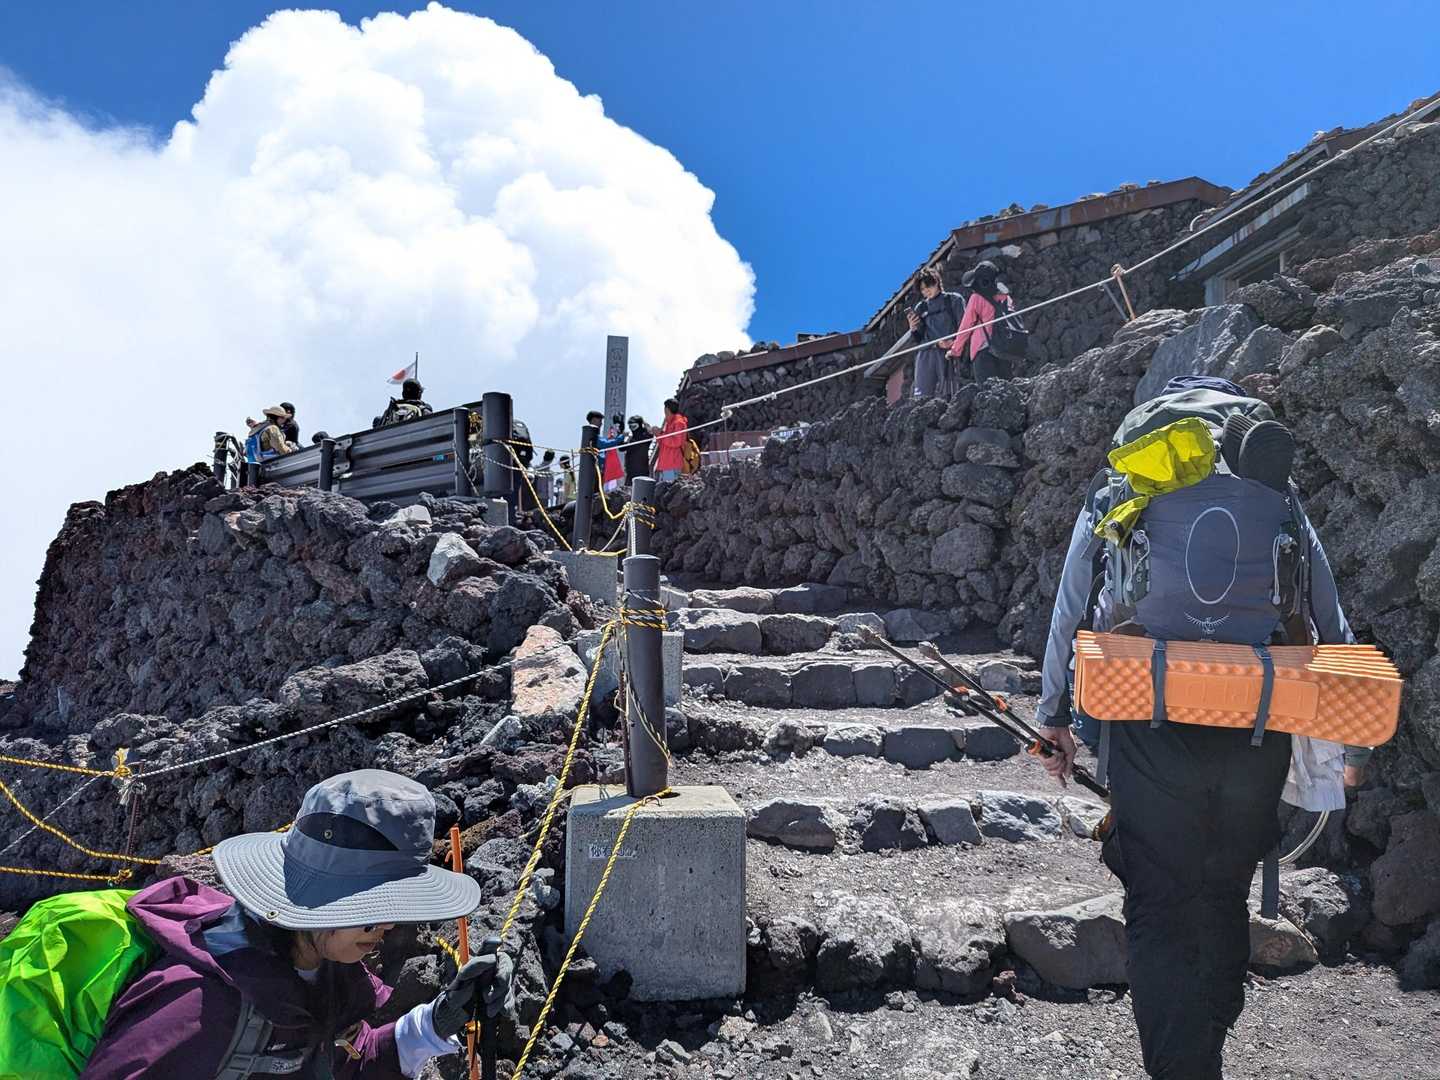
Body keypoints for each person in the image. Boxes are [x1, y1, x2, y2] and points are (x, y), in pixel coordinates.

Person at [1032, 377, 1364, 1080]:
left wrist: (1053, 716)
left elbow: (1073, 600)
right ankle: (1204, 1043)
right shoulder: (1273, 483)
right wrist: (1351, 736)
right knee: (1223, 892)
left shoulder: (1134, 472)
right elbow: (1326, 613)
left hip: (1144, 712)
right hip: (1255, 716)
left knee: (1159, 903)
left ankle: (1185, 1064)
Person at [81, 769, 513, 1080]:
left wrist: (437, 1021)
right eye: (372, 907)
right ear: (324, 903)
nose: (388, 925)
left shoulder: (319, 966)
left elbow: (343, 1059)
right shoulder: (197, 1002)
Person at [945, 260, 1015, 383]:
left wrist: (955, 350)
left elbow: (966, 327)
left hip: (983, 350)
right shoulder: (1005, 296)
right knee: (1008, 388)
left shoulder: (976, 298)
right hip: (1005, 350)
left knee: (987, 390)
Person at [906, 267, 967, 398]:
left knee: (951, 394)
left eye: (928, 286)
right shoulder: (921, 307)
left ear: (937, 282)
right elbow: (918, 339)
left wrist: (955, 342)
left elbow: (965, 328)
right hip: (926, 355)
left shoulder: (954, 300)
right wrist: (913, 328)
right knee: (922, 396)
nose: (926, 291)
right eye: (922, 289)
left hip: (950, 352)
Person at [653, 399, 688, 483]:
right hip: (667, 463)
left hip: (672, 464)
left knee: (668, 487)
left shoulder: (678, 423)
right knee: (664, 487)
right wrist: (658, 434)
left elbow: (676, 442)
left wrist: (660, 434)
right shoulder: (670, 423)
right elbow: (664, 443)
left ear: (667, 409)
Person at [623, 416, 653, 481]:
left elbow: (650, 434)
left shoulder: (645, 436)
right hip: (630, 472)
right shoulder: (631, 439)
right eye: (630, 426)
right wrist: (622, 436)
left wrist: (645, 424)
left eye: (633, 426)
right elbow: (621, 448)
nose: (631, 428)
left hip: (641, 472)